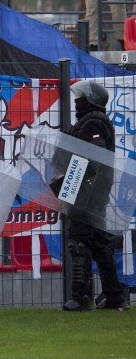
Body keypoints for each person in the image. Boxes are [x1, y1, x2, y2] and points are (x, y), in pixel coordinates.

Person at [58, 80, 129, 312]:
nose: (77, 100)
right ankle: (116, 295)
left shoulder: (94, 123)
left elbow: (90, 160)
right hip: (89, 189)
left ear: (89, 100)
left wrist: (73, 184)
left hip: (87, 190)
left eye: (80, 97)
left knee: (79, 241)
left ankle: (82, 297)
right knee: (99, 243)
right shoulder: (90, 122)